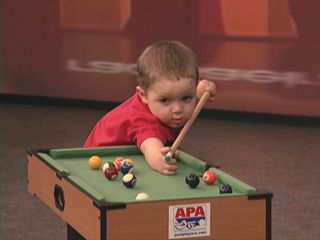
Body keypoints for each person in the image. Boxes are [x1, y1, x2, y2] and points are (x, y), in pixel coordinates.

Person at [84, 40, 216, 175]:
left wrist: (202, 89)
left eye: (186, 98)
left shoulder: (161, 95)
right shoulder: (143, 121)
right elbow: (151, 147)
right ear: (143, 95)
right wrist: (159, 160)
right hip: (99, 162)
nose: (177, 109)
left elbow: (191, 87)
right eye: (165, 100)